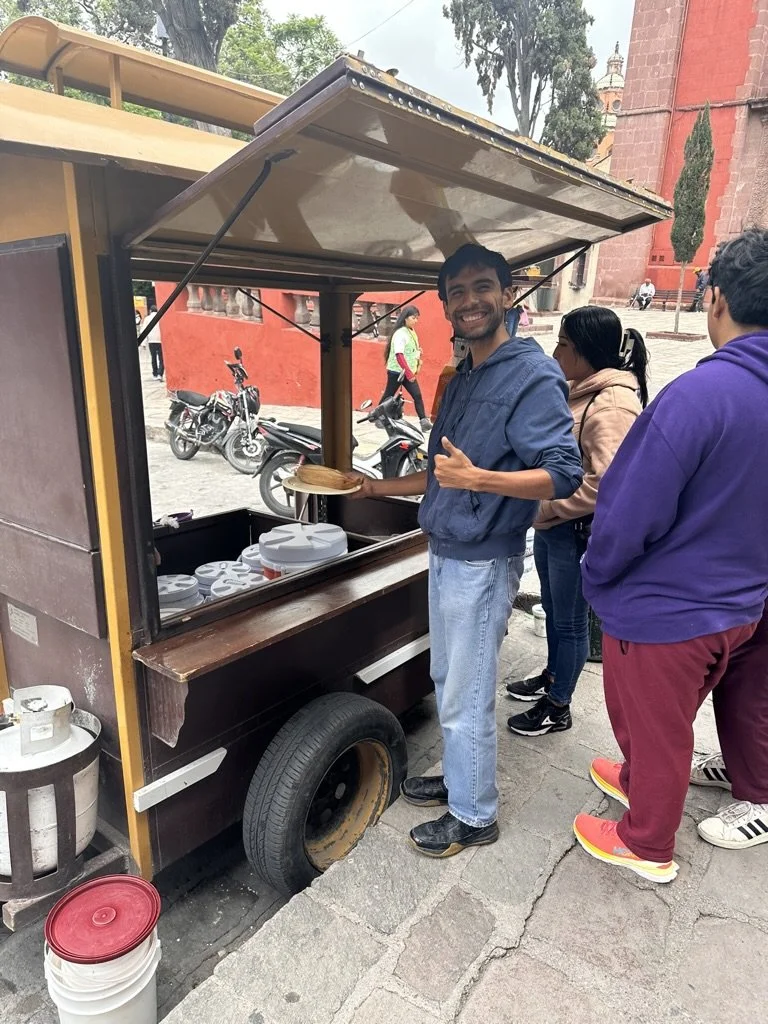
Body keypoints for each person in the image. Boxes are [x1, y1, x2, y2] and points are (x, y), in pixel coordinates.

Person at [350, 243, 582, 857]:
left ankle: (474, 815)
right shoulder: (464, 377)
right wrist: (371, 487)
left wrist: (481, 479)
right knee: (447, 677)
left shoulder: (532, 374)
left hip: (483, 561)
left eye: (482, 287)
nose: (470, 301)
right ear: (445, 306)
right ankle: (460, 779)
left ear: (508, 294)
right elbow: (439, 474)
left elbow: (564, 474)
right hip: (446, 551)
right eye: (456, 292)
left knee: (467, 691)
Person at [573, 227, 768, 883]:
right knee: (666, 722)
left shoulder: (699, 396)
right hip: (743, 606)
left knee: (659, 728)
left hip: (669, 610)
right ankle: (639, 779)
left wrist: (598, 576)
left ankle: (647, 842)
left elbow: (630, 510)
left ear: (716, 299)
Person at [506, 307, 648, 735]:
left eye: (564, 344)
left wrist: (546, 509)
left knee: (569, 621)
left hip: (574, 531)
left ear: (586, 351)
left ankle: (559, 705)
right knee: (554, 611)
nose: (556, 353)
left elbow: (606, 484)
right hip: (554, 528)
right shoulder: (580, 390)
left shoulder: (612, 404)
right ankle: (553, 676)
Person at [379, 305, 432, 431]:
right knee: (389, 394)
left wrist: (417, 351)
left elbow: (409, 350)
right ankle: (379, 417)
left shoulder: (410, 331)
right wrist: (409, 373)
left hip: (408, 372)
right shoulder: (400, 334)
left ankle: (423, 421)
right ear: (405, 318)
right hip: (397, 371)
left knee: (417, 395)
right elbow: (399, 355)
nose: (416, 321)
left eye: (417, 318)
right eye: (413, 318)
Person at [143, 303, 164, 380]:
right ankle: (160, 374)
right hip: (160, 340)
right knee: (161, 358)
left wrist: (143, 343)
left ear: (150, 311)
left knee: (153, 358)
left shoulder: (147, 319)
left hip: (151, 340)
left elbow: (144, 330)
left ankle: (155, 374)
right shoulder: (161, 317)